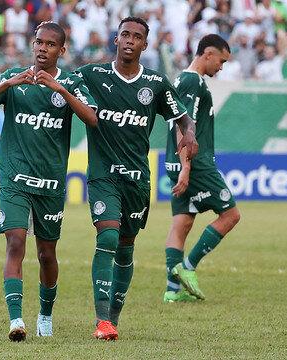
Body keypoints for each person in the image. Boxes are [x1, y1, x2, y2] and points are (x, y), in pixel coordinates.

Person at [0, 22, 98, 342]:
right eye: (38, 42)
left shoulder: (70, 82)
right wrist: (7, 84)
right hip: (14, 177)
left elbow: (93, 118)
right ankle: (16, 321)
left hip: (50, 181)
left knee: (46, 254)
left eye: (50, 45)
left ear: (61, 50)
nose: (42, 48)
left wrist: (62, 91)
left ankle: (45, 315)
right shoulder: (15, 78)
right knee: (15, 241)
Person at [75, 17, 198, 341]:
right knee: (108, 239)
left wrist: (190, 136)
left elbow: (184, 119)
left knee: (126, 249)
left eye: (137, 36)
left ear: (145, 44)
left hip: (137, 180)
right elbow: (61, 86)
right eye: (125, 34)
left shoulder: (156, 84)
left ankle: (112, 319)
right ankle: (102, 320)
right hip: (103, 177)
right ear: (116, 40)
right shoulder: (92, 74)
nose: (130, 40)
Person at [163, 34, 241, 303]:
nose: (221, 67)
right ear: (208, 54)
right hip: (195, 163)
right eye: (221, 60)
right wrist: (186, 167)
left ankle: (172, 292)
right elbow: (184, 126)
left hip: (179, 162)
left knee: (182, 222)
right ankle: (187, 267)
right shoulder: (191, 81)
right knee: (230, 215)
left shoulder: (182, 80)